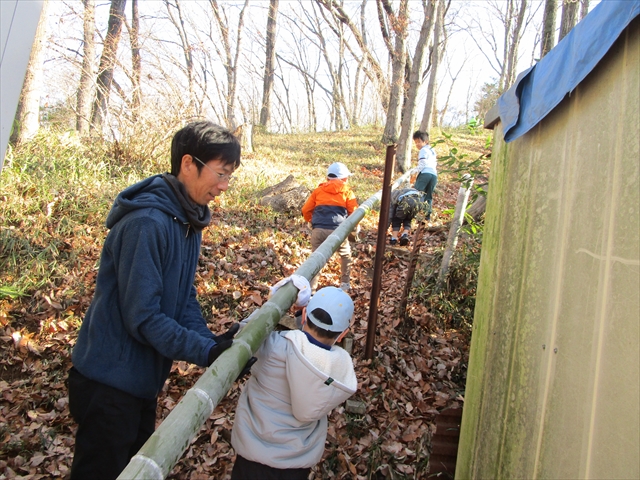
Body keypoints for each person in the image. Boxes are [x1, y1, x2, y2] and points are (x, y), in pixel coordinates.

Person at [68, 120, 242, 480]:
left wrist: (211, 342)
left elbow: (183, 297)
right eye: (220, 173)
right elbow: (144, 317)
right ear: (188, 164)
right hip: (109, 383)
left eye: (230, 176)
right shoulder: (147, 222)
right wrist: (202, 351)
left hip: (142, 380)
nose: (224, 186)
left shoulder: (187, 220)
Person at [230, 286, 358, 480]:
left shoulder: (273, 346)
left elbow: (241, 336)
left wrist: (272, 304)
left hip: (252, 457)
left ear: (304, 314)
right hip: (296, 465)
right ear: (342, 334)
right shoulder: (338, 371)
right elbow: (309, 348)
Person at [301, 162, 358, 292]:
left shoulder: (318, 191)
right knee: (345, 255)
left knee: (317, 258)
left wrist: (311, 221)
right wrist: (352, 228)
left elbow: (305, 210)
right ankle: (345, 283)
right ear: (344, 179)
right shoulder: (347, 192)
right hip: (339, 231)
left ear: (327, 178)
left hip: (319, 230)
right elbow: (354, 212)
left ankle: (311, 289)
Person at [412, 130, 437, 220]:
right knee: (428, 196)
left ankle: (413, 213)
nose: (417, 144)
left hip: (425, 174)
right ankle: (427, 216)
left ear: (425, 141)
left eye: (419, 142)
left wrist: (414, 171)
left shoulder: (423, 150)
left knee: (416, 193)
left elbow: (423, 163)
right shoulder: (432, 150)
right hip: (434, 175)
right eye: (415, 142)